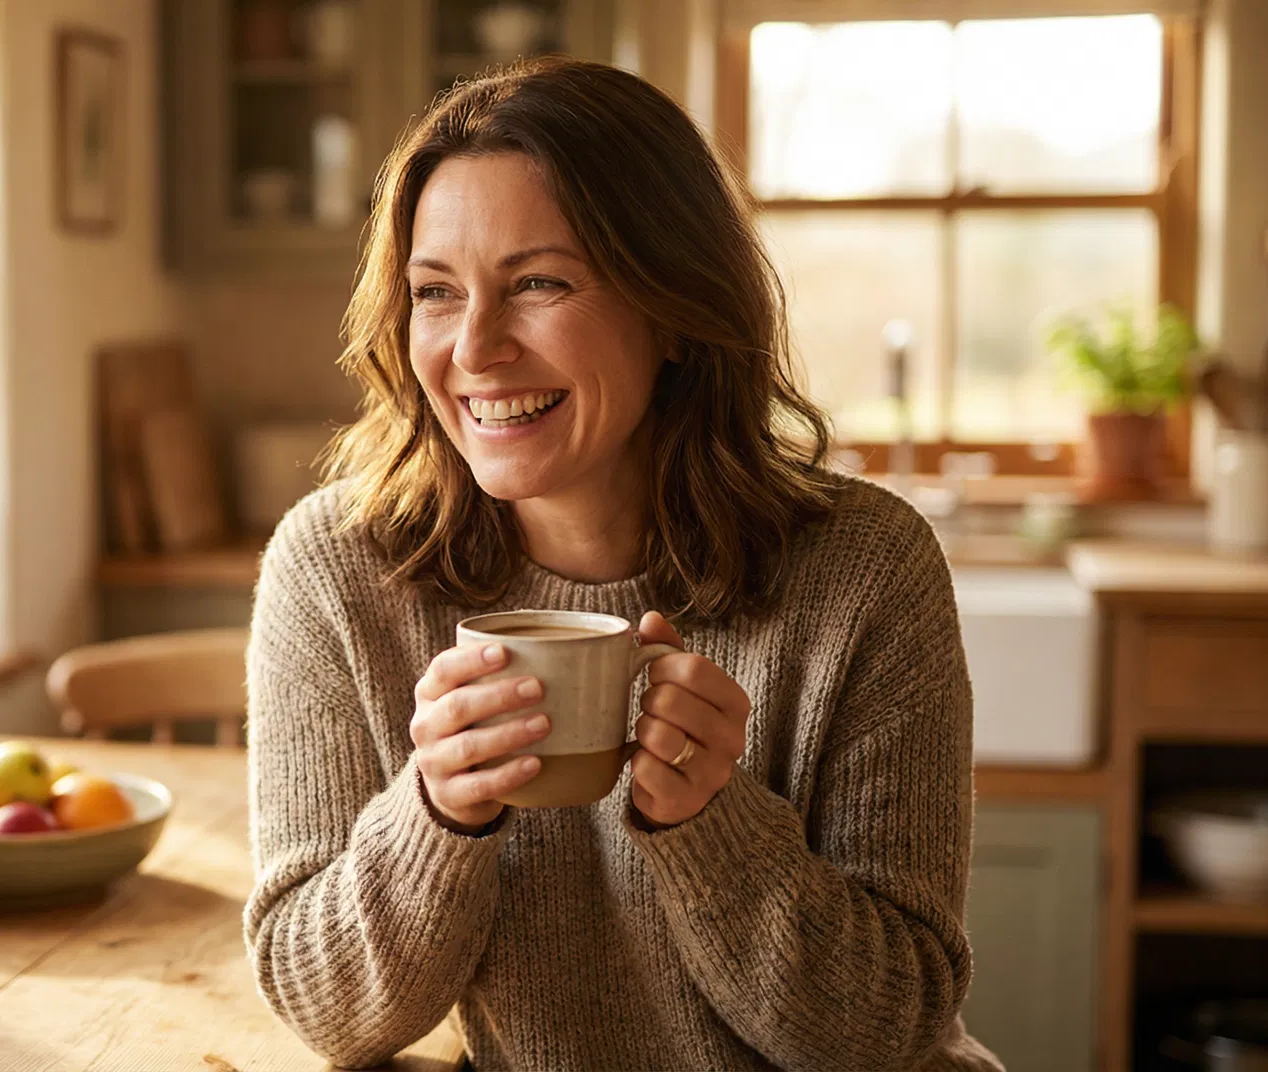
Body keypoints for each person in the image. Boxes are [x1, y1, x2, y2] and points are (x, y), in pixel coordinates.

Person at [244, 57, 1000, 1072]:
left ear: (676, 306)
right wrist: (434, 810)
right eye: (436, 291)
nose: (473, 348)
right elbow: (324, 1011)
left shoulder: (866, 570)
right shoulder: (338, 571)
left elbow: (888, 1029)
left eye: (538, 283)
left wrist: (710, 821)